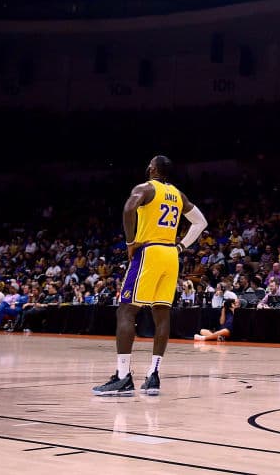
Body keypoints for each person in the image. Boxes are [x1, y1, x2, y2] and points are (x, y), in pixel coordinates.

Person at [93, 155, 207, 397]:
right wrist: (181, 246)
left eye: (149, 164)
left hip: (149, 251)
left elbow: (128, 208)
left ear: (153, 169)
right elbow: (201, 222)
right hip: (170, 255)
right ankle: (153, 375)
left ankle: (123, 377)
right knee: (161, 313)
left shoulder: (144, 188)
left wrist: (130, 241)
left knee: (126, 310)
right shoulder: (178, 195)